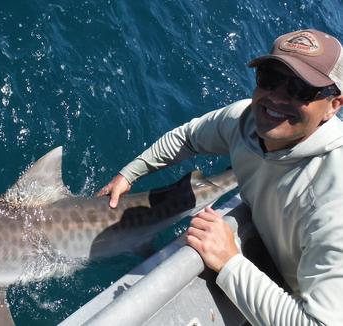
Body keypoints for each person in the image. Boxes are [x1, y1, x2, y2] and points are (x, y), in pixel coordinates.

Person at [98, 29, 343, 326]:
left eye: (299, 89)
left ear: (333, 105)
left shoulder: (333, 203)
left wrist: (229, 262)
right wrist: (130, 173)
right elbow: (187, 137)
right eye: (270, 78)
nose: (277, 97)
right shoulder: (245, 121)